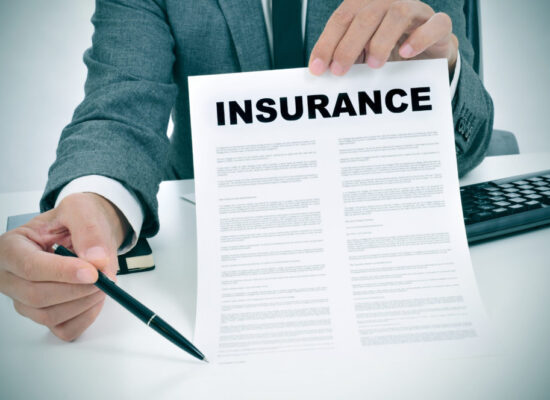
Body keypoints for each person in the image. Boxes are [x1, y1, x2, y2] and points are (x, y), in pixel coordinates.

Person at [0, 0, 493, 342]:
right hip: (219, 241)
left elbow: (470, 132)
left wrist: (440, 73)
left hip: (380, 239)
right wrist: (96, 205)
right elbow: (121, 104)